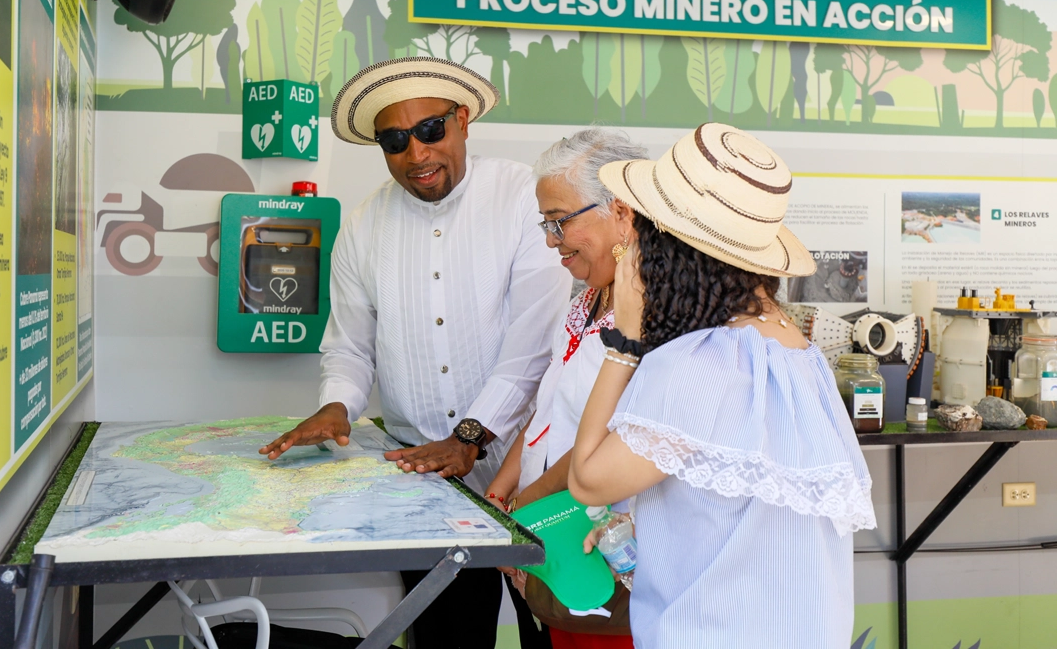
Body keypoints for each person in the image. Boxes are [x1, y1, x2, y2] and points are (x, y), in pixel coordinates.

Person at [260, 57, 571, 648]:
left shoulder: (522, 199)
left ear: (462, 121)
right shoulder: (362, 227)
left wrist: (470, 436)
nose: (417, 154)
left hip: (531, 470)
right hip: (426, 481)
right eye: (395, 141)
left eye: (430, 129)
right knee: (449, 635)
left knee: (551, 627)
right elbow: (349, 348)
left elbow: (533, 348)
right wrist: (337, 406)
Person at [569, 123, 876, 647]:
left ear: (672, 252)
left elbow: (588, 480)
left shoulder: (703, 361)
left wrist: (625, 343)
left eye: (640, 237)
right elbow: (739, 510)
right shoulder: (799, 353)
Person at [484, 128, 647, 649]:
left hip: (610, 553)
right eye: (546, 224)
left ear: (621, 211)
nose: (552, 241)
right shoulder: (584, 303)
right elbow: (548, 411)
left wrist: (525, 512)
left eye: (561, 221)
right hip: (556, 537)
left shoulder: (650, 316)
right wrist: (501, 493)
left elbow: (614, 442)